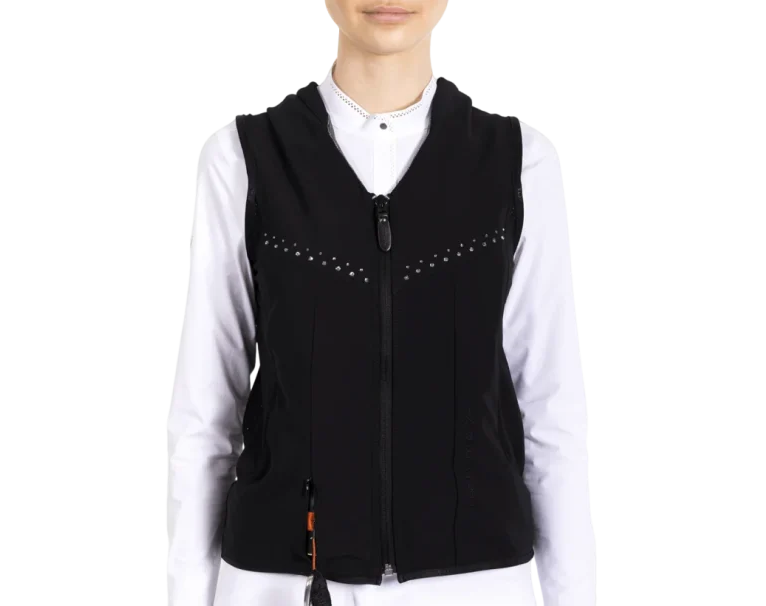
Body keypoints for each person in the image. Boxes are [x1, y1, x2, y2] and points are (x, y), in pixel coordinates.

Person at [168, 1, 596, 605]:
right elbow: (205, 413)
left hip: (476, 587)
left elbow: (552, 408)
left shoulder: (520, 162)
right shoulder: (243, 159)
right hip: (283, 585)